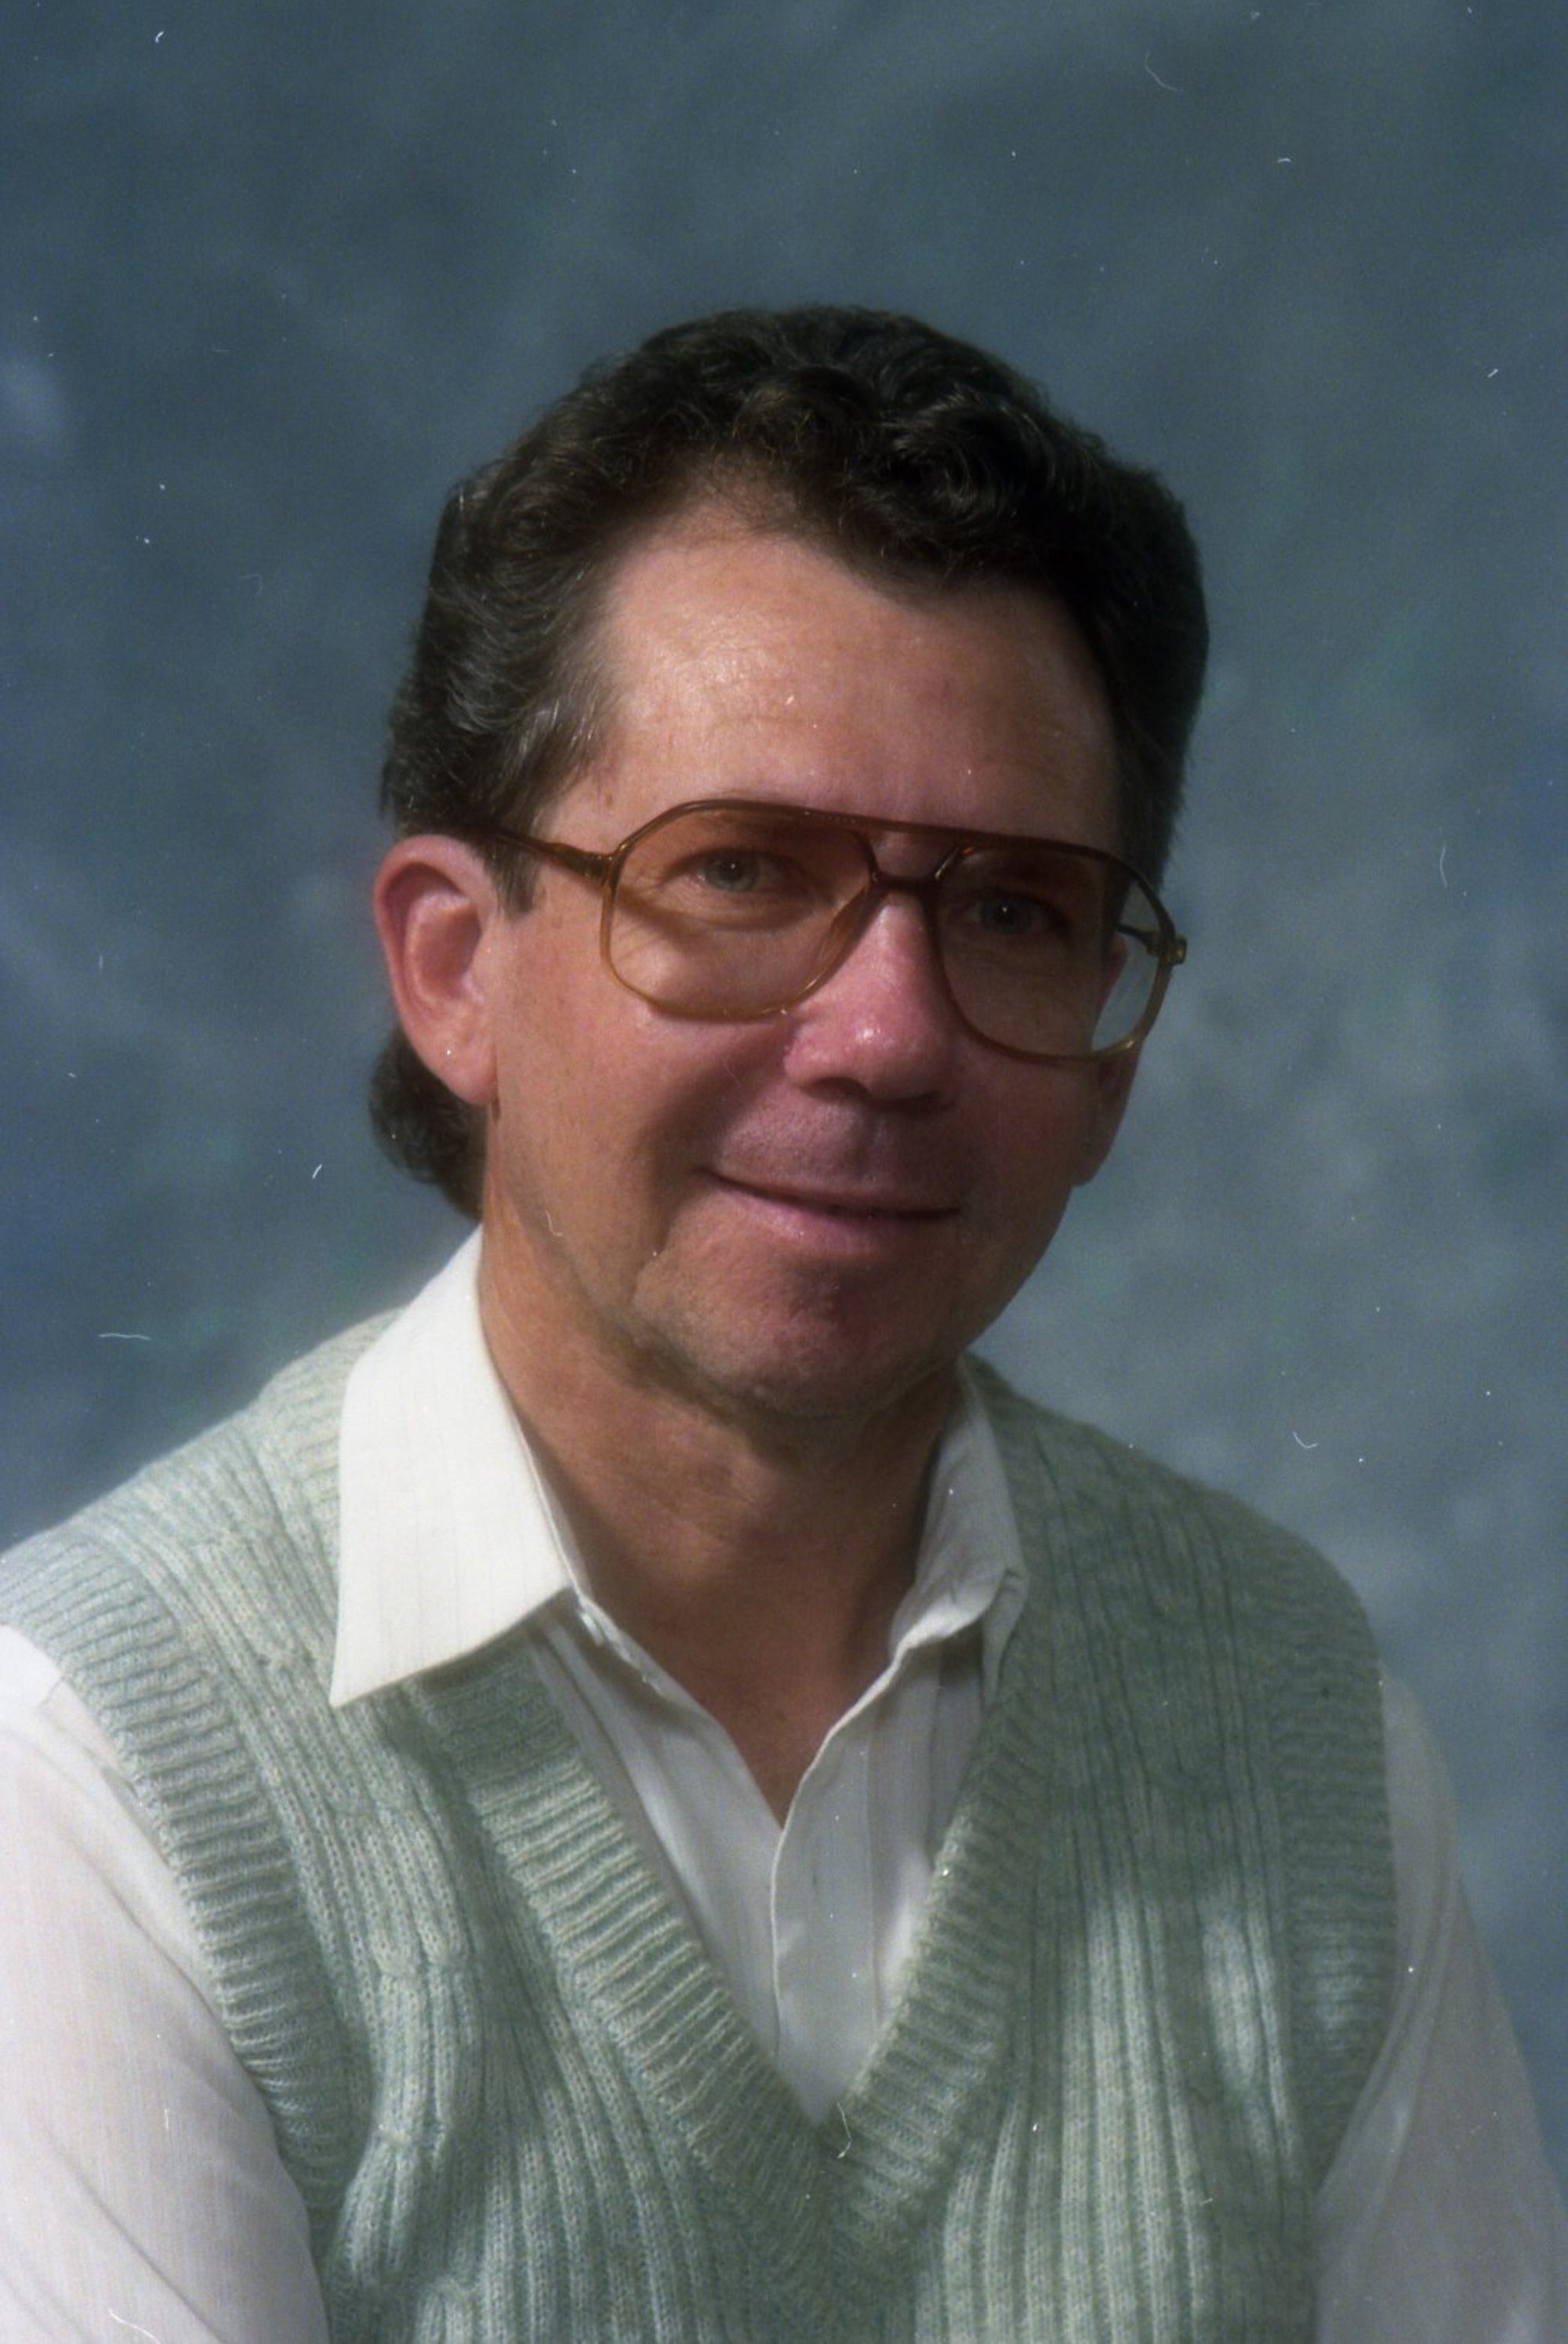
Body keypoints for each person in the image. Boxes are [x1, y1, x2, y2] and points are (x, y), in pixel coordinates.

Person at [0, 307, 1560, 2343]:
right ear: (457, 972)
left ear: (1111, 1058)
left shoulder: (1300, 1732)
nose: (888, 1034)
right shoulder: (90, 1774)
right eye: (738, 871)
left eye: (1012, 908)